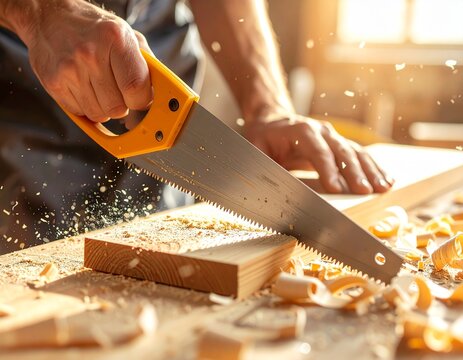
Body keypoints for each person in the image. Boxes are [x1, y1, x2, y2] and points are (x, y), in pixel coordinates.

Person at [0, 0, 393, 253]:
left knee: (166, 248)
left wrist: (267, 107)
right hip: (21, 62)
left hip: (153, 46)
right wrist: (39, 12)